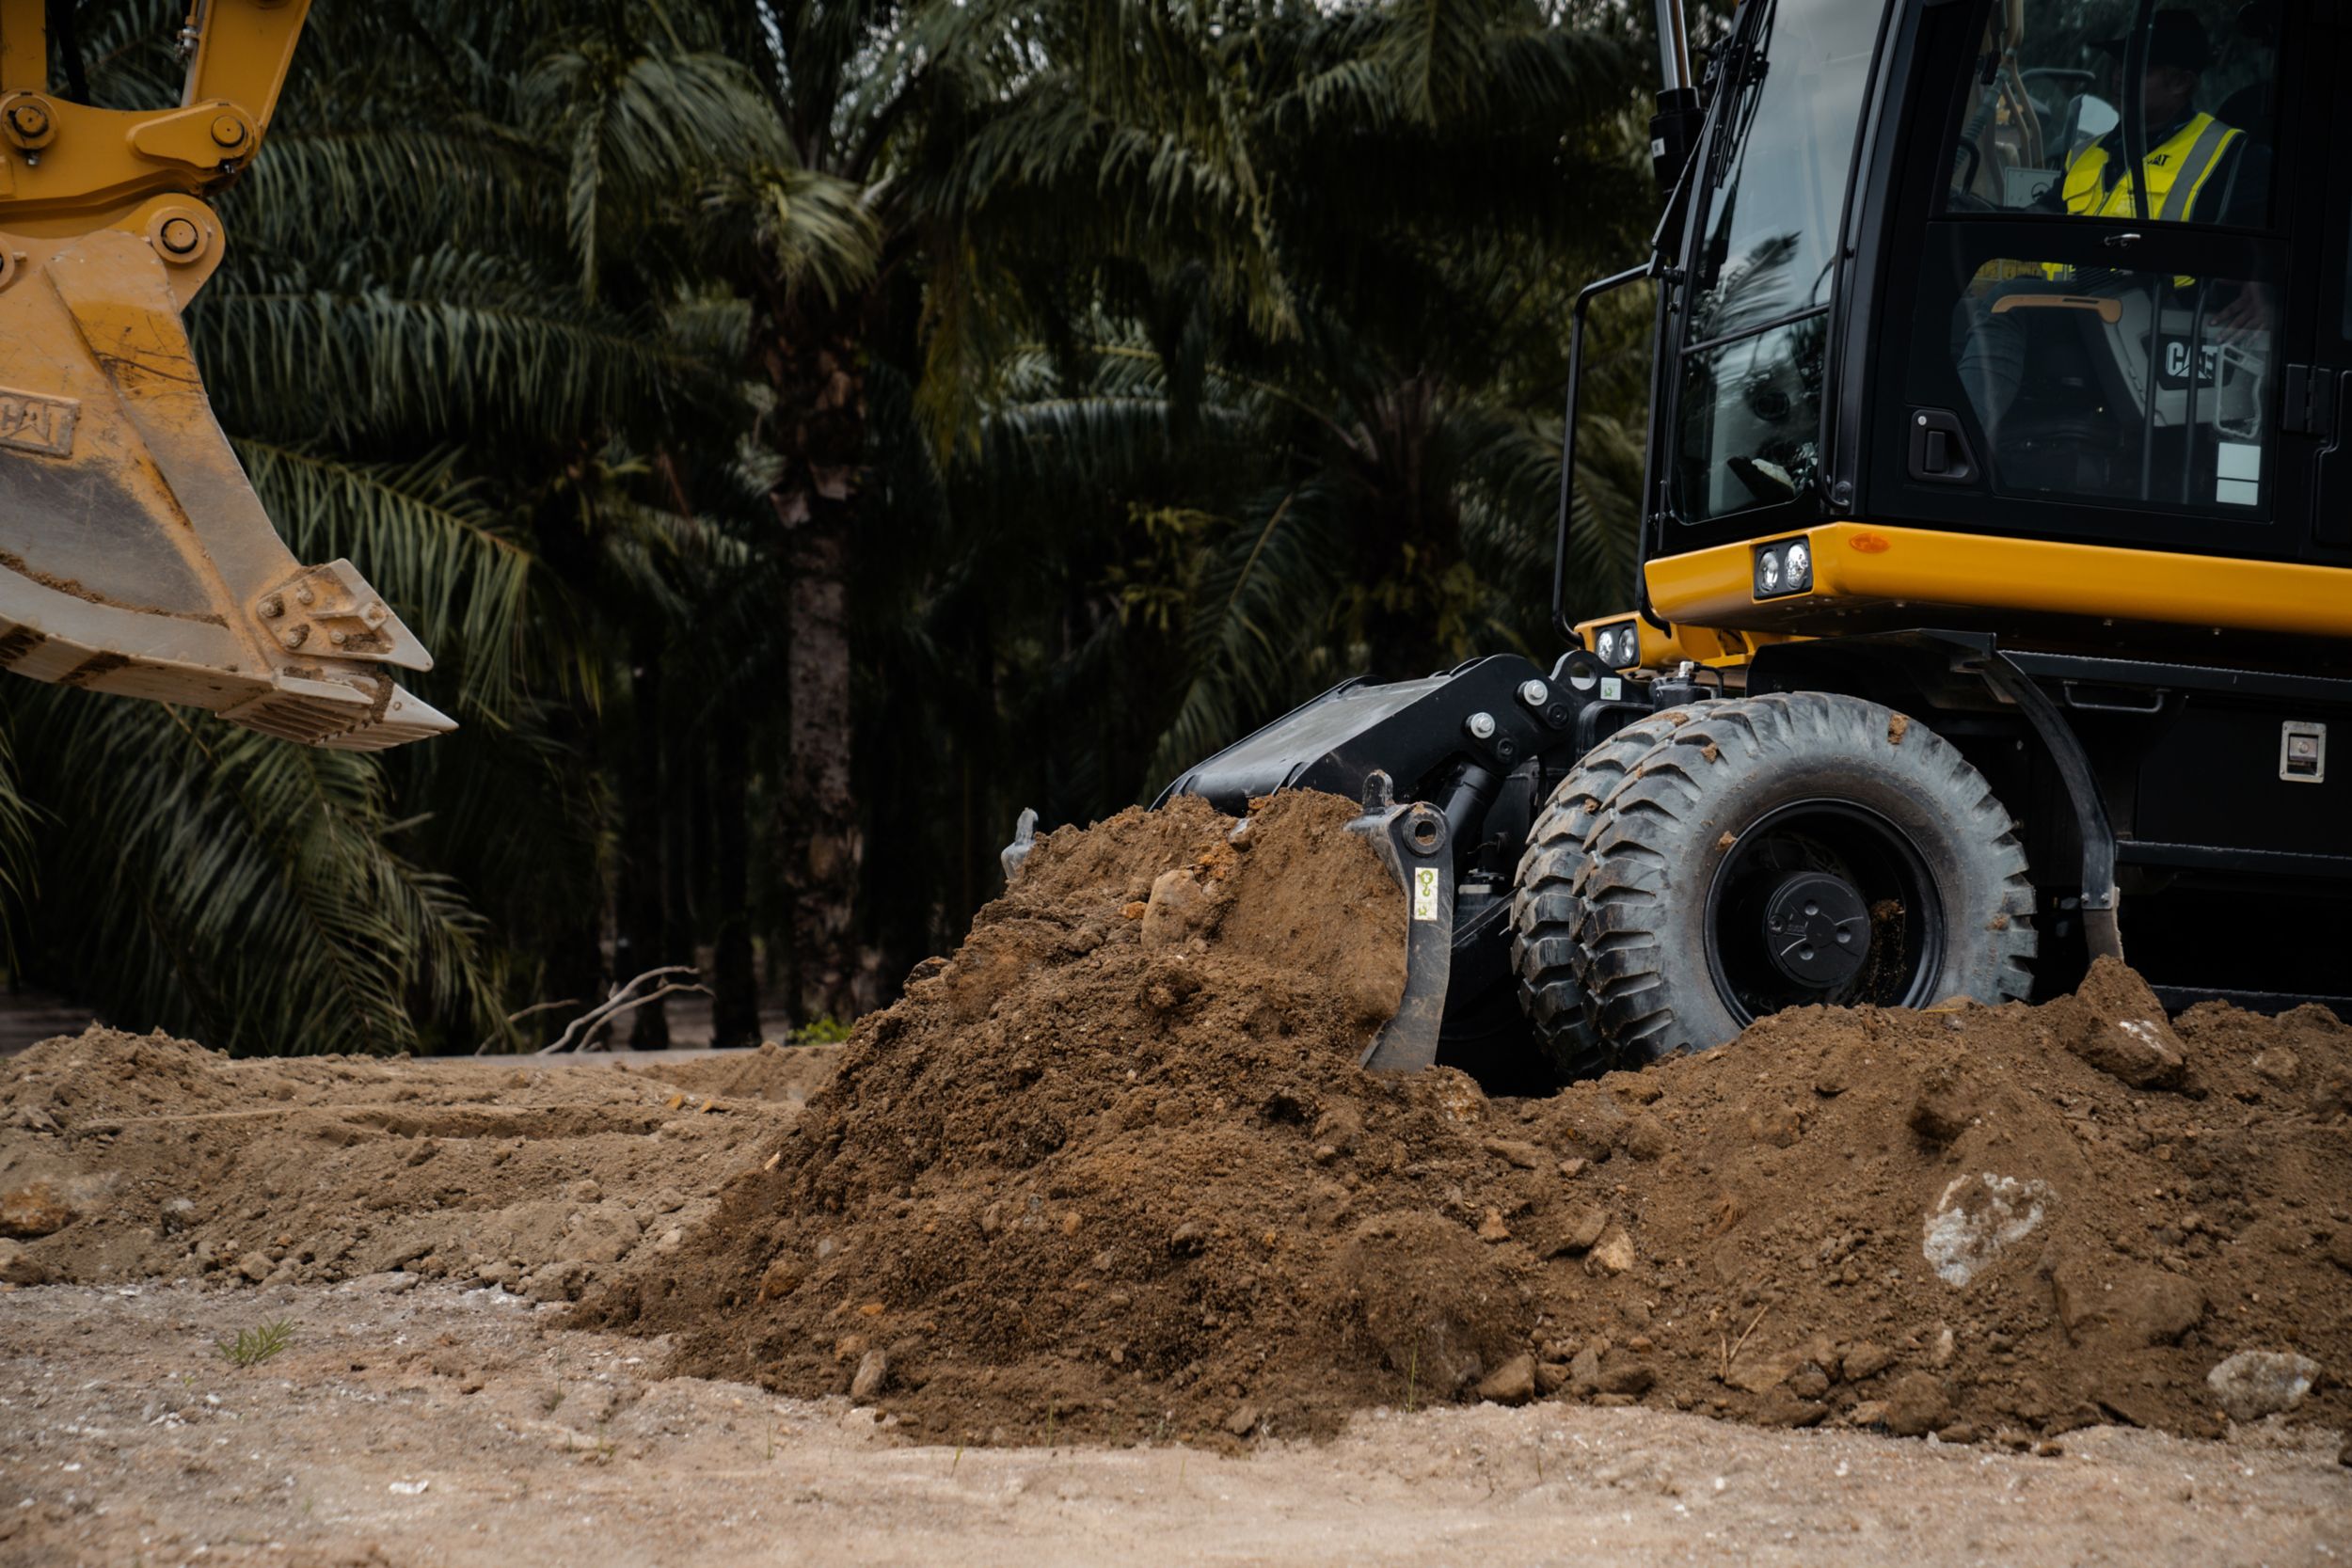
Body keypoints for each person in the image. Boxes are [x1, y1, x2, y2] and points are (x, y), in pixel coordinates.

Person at [1952, 8, 2270, 447]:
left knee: (2007, 305)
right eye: (2120, 64)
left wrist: (2270, 285)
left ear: (2182, 83)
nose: (2119, 76)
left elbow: (2272, 243)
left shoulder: (2234, 156)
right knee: (1961, 312)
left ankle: (1958, 448)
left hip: (2168, 324)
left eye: (2141, 68)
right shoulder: (2090, 154)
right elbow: (2045, 215)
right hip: (2091, 313)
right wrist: (1978, 214)